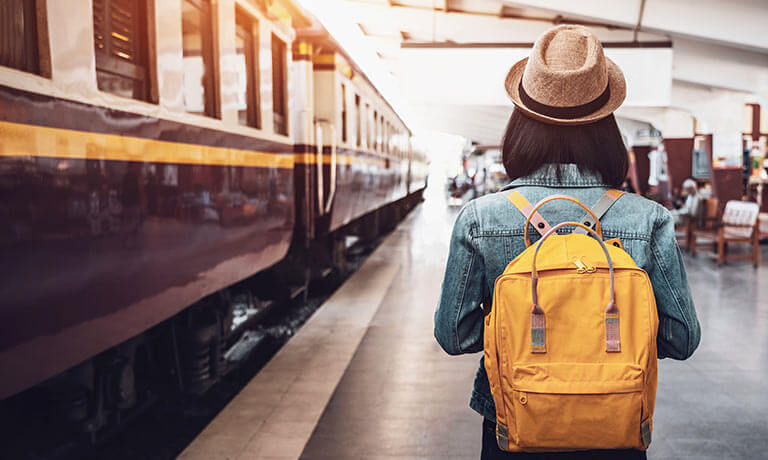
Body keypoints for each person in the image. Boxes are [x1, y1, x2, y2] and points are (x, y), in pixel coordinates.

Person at [434, 25, 701, 459]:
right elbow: (682, 338)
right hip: (614, 421)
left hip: (514, 423)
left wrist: (514, 332)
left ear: (520, 125)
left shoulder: (481, 218)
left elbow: (453, 334)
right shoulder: (648, 219)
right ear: (607, 127)